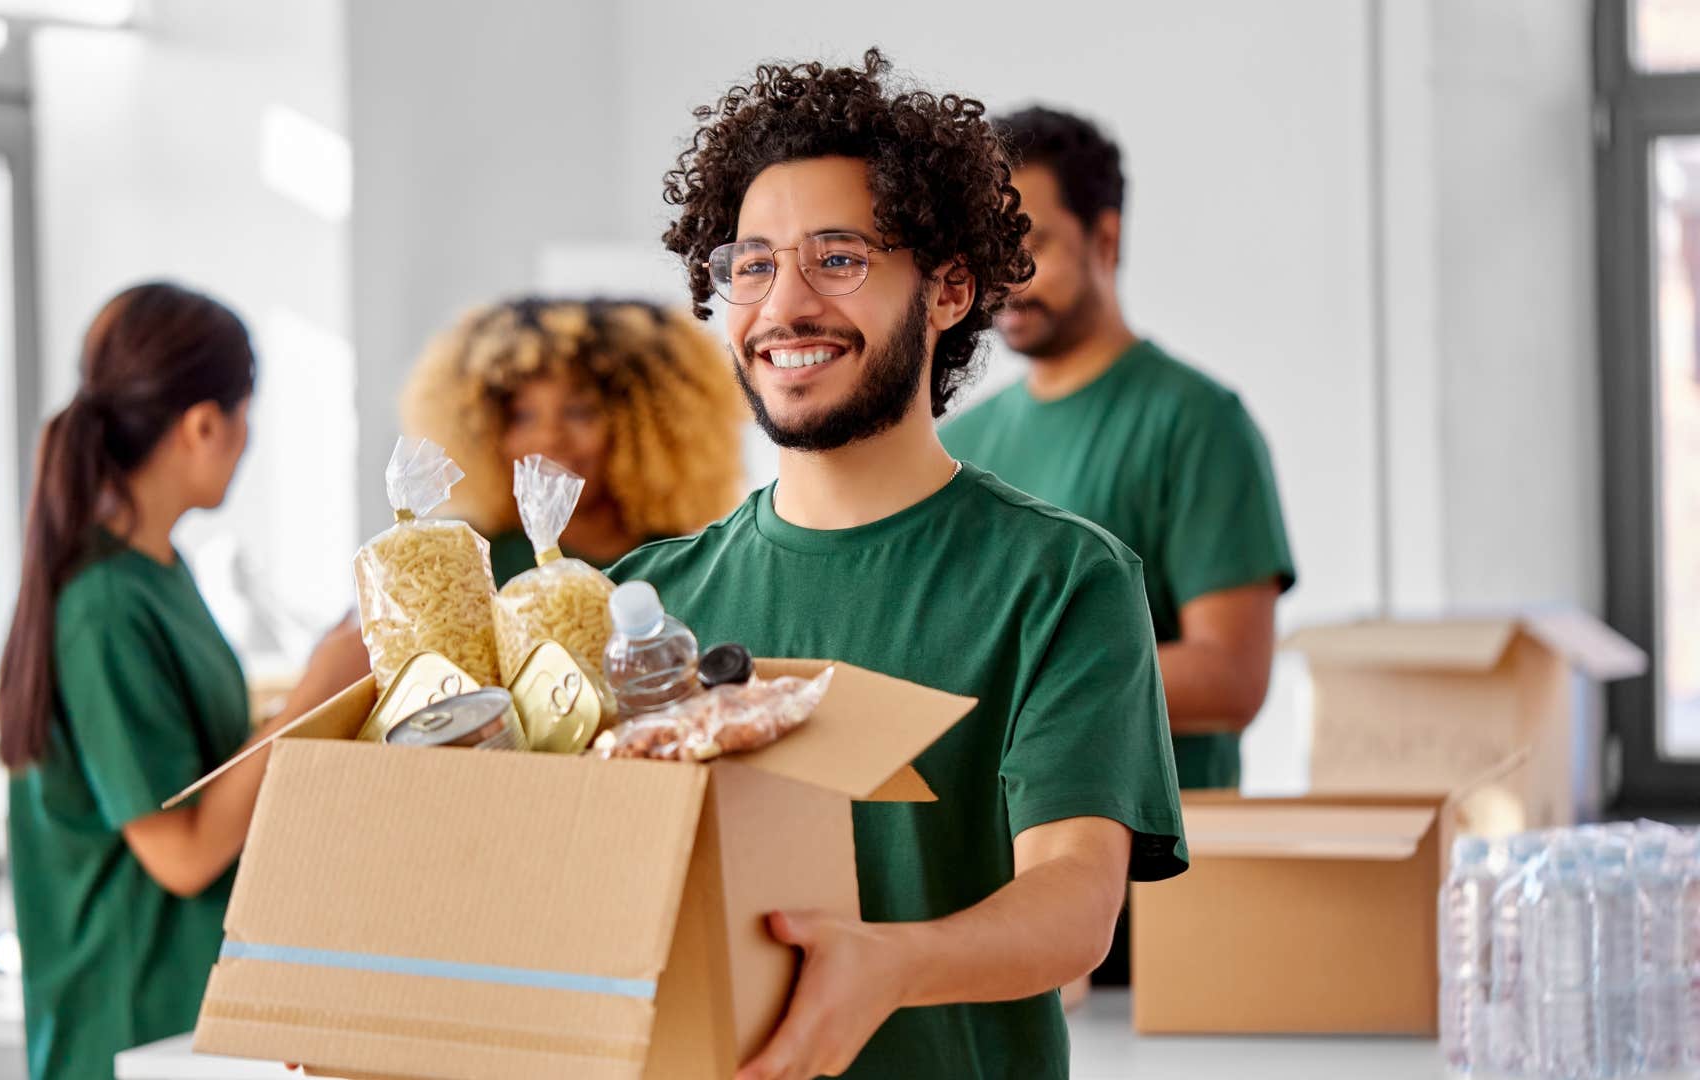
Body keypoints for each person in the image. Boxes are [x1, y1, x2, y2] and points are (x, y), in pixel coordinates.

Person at [609, 50, 1187, 1080]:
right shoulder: (648, 604)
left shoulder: (1061, 580)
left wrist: (891, 964)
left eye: (838, 259)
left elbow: (1073, 902)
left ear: (951, 286)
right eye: (752, 264)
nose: (784, 306)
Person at [0, 282, 369, 1080]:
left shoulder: (160, 574)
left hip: (187, 1021)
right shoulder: (103, 607)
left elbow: (199, 762)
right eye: (245, 416)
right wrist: (315, 697)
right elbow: (183, 853)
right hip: (126, 1031)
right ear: (205, 424)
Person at [941, 107, 1296, 794]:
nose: (1005, 276)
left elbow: (1232, 679)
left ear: (1105, 239)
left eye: (1030, 245)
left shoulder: (1197, 423)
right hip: (995, 862)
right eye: (988, 249)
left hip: (1160, 870)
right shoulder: (954, 444)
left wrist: (1013, 682)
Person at [400, 296, 746, 584]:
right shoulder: (467, 559)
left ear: (642, 428)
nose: (551, 436)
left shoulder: (684, 562)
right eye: (522, 416)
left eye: (580, 412)